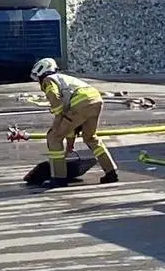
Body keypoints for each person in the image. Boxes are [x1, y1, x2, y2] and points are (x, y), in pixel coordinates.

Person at [30, 57, 119, 188]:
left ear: (41, 72)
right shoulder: (64, 79)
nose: (38, 82)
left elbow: (56, 103)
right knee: (90, 138)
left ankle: (59, 178)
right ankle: (111, 173)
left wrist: (56, 125)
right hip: (95, 100)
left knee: (54, 138)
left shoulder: (48, 80)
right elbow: (70, 120)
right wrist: (70, 144)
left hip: (80, 102)